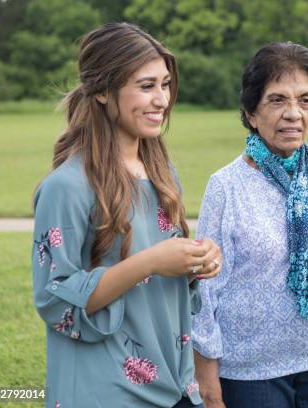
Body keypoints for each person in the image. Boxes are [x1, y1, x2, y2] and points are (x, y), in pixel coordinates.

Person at [31, 23, 221, 408]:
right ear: (102, 91)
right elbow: (56, 301)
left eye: (165, 84)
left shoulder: (163, 175)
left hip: (174, 384)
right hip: (105, 391)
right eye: (146, 86)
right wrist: (151, 261)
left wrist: (197, 259)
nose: (162, 100)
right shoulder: (66, 187)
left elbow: (167, 267)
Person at [192, 42, 308, 408]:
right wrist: (209, 385)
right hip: (252, 371)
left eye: (305, 101)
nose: (294, 114)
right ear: (250, 112)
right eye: (277, 100)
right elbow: (205, 291)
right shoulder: (226, 186)